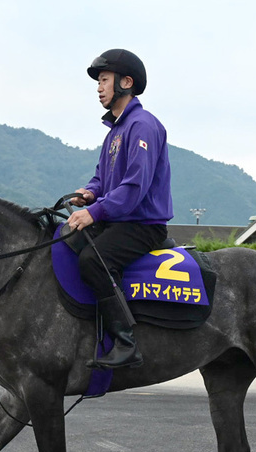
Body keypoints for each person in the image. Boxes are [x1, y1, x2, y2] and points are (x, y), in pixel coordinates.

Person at [67, 49, 173, 369]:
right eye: (98, 82)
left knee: (93, 262)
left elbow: (133, 188)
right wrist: (88, 194)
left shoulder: (143, 125)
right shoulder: (114, 130)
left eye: (104, 80)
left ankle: (127, 341)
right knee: (65, 242)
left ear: (126, 82)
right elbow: (102, 178)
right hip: (119, 220)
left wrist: (94, 212)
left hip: (143, 225)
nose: (99, 87)